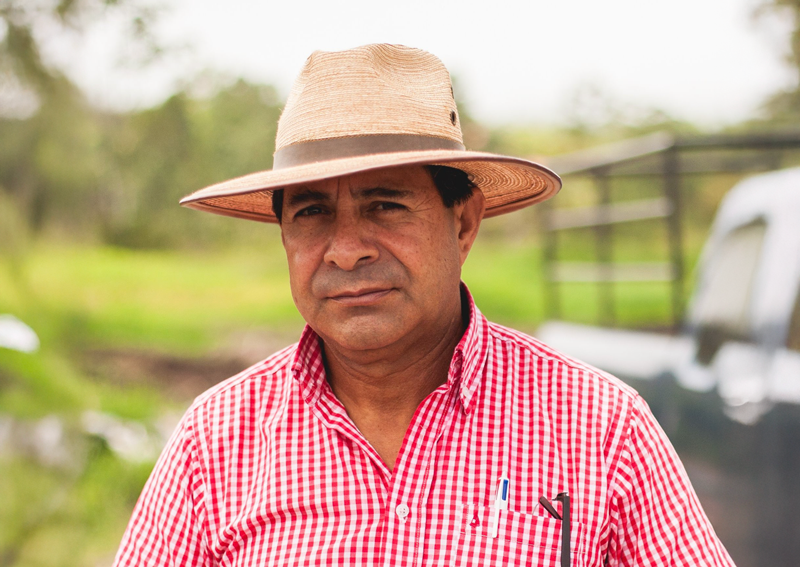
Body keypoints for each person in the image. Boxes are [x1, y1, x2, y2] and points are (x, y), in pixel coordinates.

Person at [113, 44, 734, 567]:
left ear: (463, 223)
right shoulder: (216, 441)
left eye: (384, 204)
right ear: (284, 238)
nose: (346, 250)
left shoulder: (599, 429)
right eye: (311, 212)